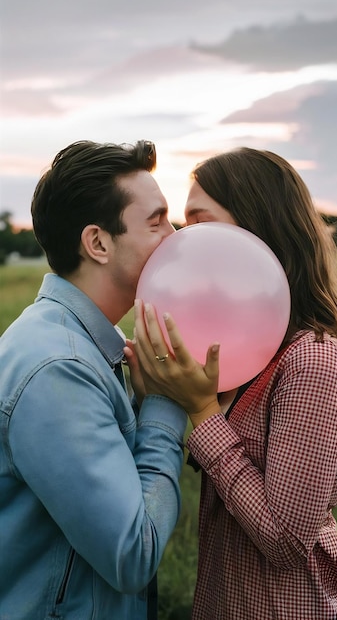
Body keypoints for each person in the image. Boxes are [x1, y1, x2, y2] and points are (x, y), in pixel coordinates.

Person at [126, 147, 337, 620]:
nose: (182, 242)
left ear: (256, 230)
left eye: (201, 223)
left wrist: (204, 412)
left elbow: (286, 540)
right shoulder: (244, 353)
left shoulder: (314, 362)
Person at [0, 139, 188, 620]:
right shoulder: (58, 368)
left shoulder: (77, 345)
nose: (174, 235)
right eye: (157, 221)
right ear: (98, 243)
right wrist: (165, 404)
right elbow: (132, 555)